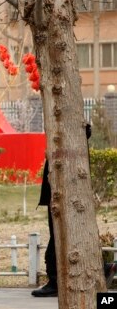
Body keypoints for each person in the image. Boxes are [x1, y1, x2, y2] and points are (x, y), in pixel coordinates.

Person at [32, 123, 116, 297]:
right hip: (66, 196)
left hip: (61, 197)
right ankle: (102, 267)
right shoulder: (71, 148)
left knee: (57, 241)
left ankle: (56, 282)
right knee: (76, 237)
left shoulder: (66, 148)